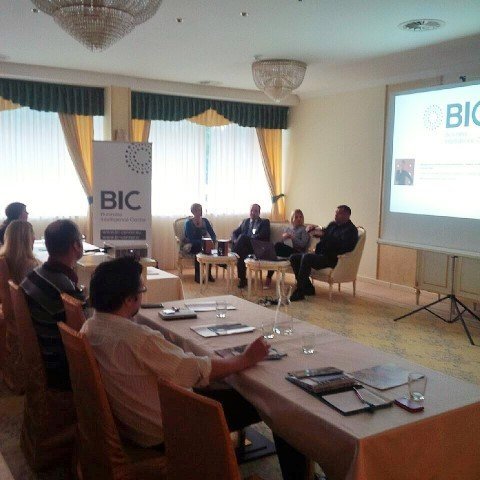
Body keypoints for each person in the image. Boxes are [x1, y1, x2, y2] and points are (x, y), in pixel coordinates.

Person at [82, 257, 307, 480]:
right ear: (129, 299)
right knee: (280, 408)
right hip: (169, 429)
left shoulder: (90, 327)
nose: (142, 295)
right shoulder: (136, 338)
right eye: (142, 290)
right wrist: (245, 359)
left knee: (232, 387)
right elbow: (195, 371)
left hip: (137, 422)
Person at [21, 219, 87, 391]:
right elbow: (86, 332)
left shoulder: (34, 274)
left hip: (44, 352)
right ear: (76, 246)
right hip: (60, 366)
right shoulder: (65, 288)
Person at [290, 205, 358, 302]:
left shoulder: (351, 230)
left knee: (307, 257)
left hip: (333, 258)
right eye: (335, 213)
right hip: (321, 254)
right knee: (294, 257)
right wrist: (315, 230)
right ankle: (308, 288)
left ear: (347, 215)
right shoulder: (333, 224)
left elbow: (345, 247)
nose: (335, 215)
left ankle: (299, 291)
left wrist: (326, 237)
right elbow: (324, 232)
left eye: (338, 213)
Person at [265, 209, 310, 288]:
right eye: (296, 217)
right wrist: (284, 238)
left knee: (277, 246)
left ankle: (268, 277)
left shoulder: (304, 230)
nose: (299, 219)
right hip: (289, 249)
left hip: (298, 252)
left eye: (300, 217)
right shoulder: (288, 229)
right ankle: (269, 276)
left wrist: (292, 237)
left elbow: (303, 244)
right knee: (276, 247)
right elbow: (283, 243)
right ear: (292, 219)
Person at [232, 204, 270, 289]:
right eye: (251, 210)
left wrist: (250, 238)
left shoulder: (264, 222)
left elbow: (264, 235)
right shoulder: (245, 221)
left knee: (242, 237)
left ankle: (231, 255)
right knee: (241, 252)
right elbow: (234, 232)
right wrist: (235, 241)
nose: (253, 212)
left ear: (259, 213)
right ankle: (242, 279)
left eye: (255, 211)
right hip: (245, 247)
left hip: (257, 246)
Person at [184, 203, 216, 283]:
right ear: (193, 211)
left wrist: (212, 241)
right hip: (192, 244)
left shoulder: (205, 221)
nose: (199, 212)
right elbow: (191, 239)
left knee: (208, 248)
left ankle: (208, 274)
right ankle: (198, 276)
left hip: (204, 243)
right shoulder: (188, 223)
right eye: (197, 210)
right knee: (199, 248)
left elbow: (213, 234)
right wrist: (204, 243)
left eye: (200, 210)